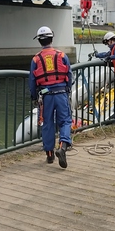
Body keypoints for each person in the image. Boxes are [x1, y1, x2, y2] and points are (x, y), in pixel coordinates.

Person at [29, 26, 73, 168]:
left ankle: (49, 154)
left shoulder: (36, 59)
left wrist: (34, 95)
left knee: (47, 124)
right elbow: (69, 74)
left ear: (39, 41)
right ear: (52, 38)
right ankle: (63, 146)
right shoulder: (61, 55)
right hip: (61, 93)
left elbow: (31, 80)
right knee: (65, 121)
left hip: (46, 95)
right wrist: (68, 89)